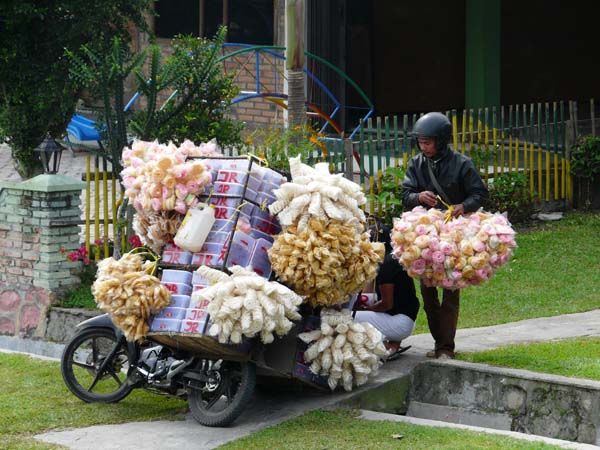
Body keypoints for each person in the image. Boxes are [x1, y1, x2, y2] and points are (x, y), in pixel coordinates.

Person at [402, 112, 488, 359]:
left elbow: (480, 195)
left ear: (441, 140)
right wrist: (418, 197)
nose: (423, 146)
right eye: (420, 142)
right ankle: (439, 342)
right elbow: (405, 195)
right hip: (425, 237)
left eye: (427, 142)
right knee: (428, 294)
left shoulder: (462, 164)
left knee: (450, 291)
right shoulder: (416, 164)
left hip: (455, 236)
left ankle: (445, 348)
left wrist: (464, 206)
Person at [353, 223, 420, 361]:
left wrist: (369, 308)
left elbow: (387, 304)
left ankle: (385, 347)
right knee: (368, 301)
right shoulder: (394, 257)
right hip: (408, 319)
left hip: (401, 323)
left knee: (351, 316)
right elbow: (369, 292)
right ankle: (393, 345)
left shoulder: (386, 265)